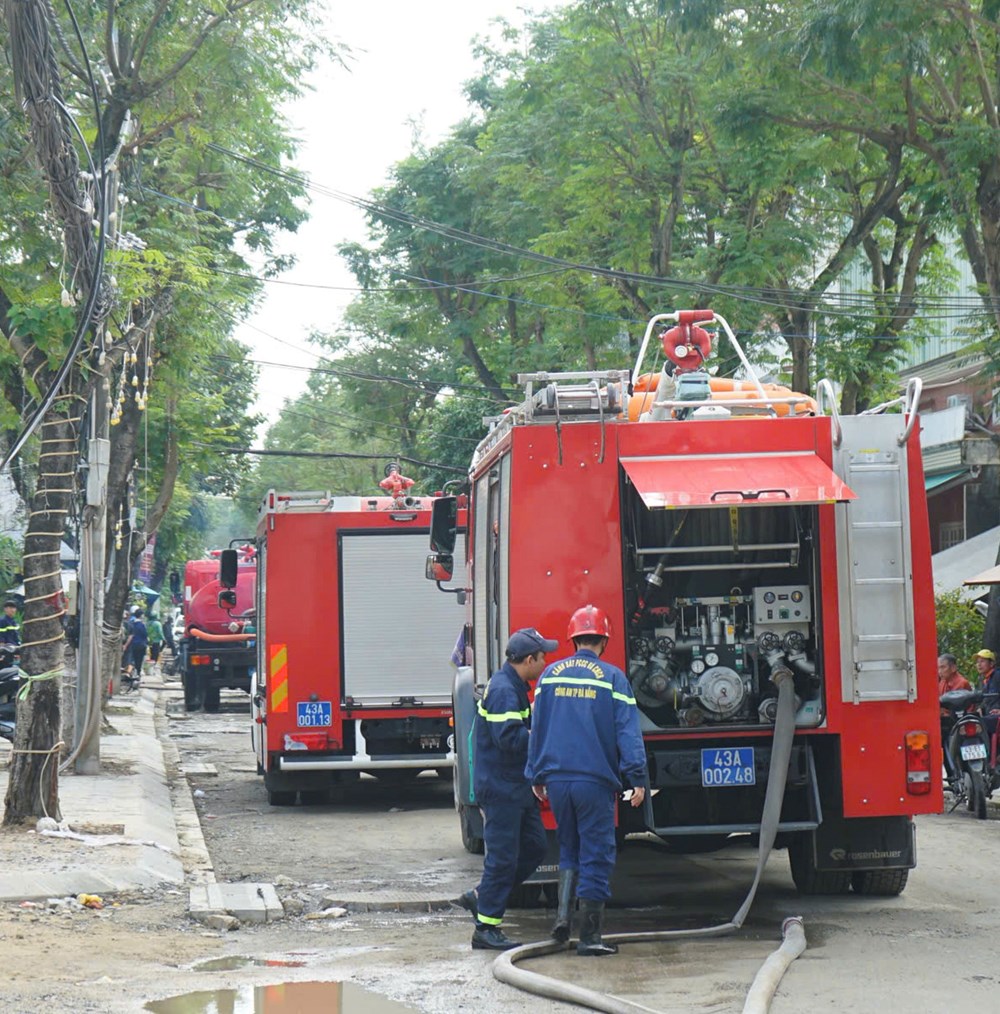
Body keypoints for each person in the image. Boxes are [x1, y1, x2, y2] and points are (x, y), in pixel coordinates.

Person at [526, 604, 646, 957]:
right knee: (597, 854)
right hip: (594, 782)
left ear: (573, 638)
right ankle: (590, 937)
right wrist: (636, 776)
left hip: (558, 781)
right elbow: (628, 731)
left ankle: (562, 922)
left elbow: (538, 728)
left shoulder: (549, 675)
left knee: (569, 847)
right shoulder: (612, 678)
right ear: (604, 640)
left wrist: (535, 772)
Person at [457, 627, 557, 951]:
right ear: (529, 660)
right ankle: (486, 928)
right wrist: (547, 737)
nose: (545, 663)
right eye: (543, 658)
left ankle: (481, 896)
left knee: (534, 847)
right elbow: (510, 739)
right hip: (502, 791)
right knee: (501, 859)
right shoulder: (503, 691)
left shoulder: (514, 686)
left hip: (516, 787)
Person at [938, 653, 971, 784]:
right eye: (938, 668)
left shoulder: (962, 683)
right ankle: (952, 776)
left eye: (943, 667)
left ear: (953, 668)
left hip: (959, 722)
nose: (940, 671)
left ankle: (956, 776)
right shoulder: (942, 682)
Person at [974, 649, 1000, 741]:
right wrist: (981, 707)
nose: (979, 664)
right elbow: (985, 699)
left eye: (982, 661)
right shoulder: (984, 679)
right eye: (977, 662)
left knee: (979, 725)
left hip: (996, 717)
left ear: (991, 664)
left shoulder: (997, 676)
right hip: (989, 715)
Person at [122, 609, 149, 682]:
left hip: (132, 645)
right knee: (139, 661)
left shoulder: (130, 623)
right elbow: (145, 635)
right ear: (141, 615)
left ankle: (130, 673)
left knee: (131, 659)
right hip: (141, 645)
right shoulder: (141, 625)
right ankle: (137, 674)